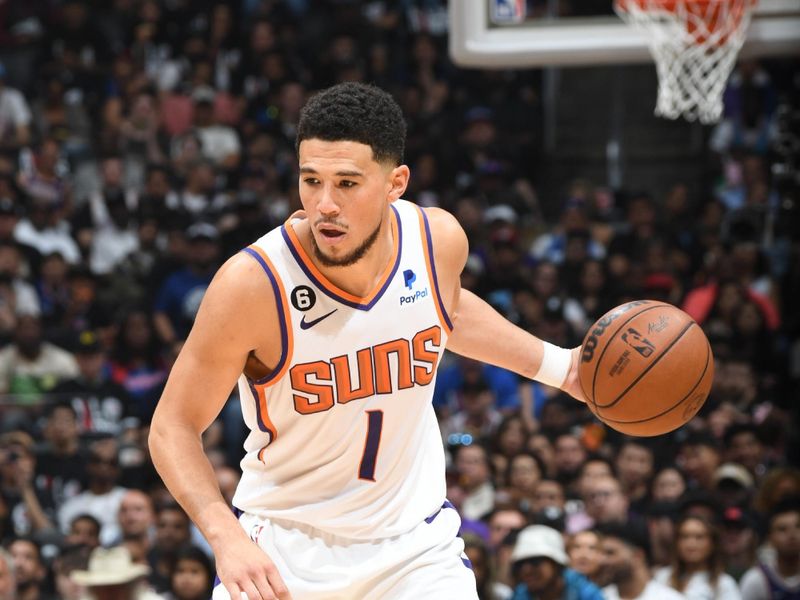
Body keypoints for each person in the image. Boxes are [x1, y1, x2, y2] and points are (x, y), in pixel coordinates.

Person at [149, 82, 585, 599]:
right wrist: (225, 537)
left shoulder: (436, 240)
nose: (324, 204)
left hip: (414, 549)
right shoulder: (252, 285)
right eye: (311, 181)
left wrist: (562, 369)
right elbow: (172, 427)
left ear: (395, 182)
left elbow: (449, 310)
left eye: (347, 183)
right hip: (286, 551)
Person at [654, 515, 742, 599]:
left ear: (712, 543)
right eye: (684, 537)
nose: (691, 544)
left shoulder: (723, 584)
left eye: (699, 537)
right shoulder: (662, 577)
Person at [509, 525, 603, 600]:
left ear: (557, 565)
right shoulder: (521, 594)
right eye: (520, 564)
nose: (526, 570)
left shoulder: (584, 592)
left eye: (535, 562)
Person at [596, 522, 686, 600]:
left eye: (610, 553)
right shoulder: (599, 597)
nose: (602, 560)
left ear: (638, 556)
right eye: (601, 553)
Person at [739, 497, 800, 600]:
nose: (792, 535)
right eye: (782, 529)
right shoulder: (756, 580)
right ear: (770, 538)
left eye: (798, 526)